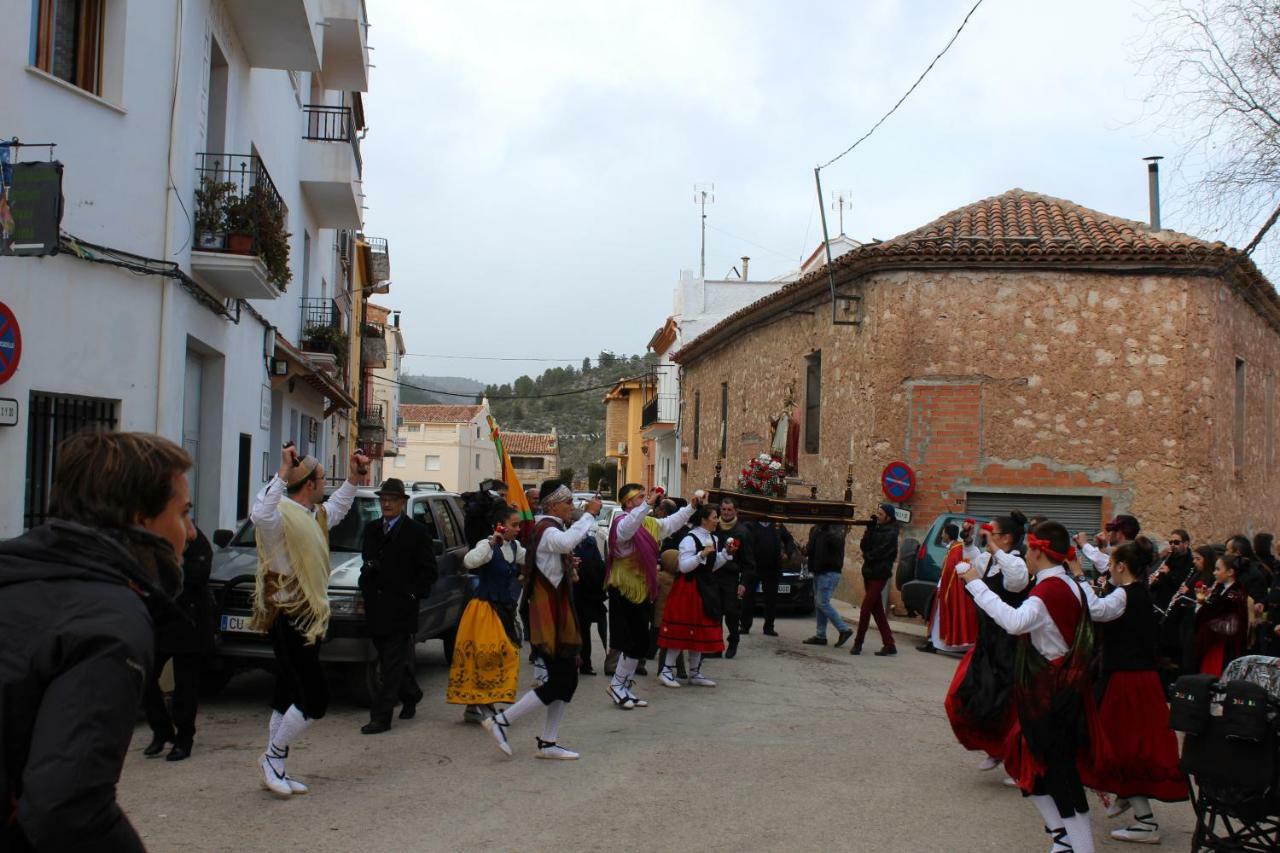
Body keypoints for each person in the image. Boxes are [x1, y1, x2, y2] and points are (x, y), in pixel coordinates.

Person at [1, 431, 194, 851]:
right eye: (183, 513)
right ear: (142, 519)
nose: (191, 533)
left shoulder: (19, 572)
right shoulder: (109, 620)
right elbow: (68, 807)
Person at [958, 520, 1098, 853]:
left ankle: (1080, 846)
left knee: (1059, 772)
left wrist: (976, 585)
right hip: (1059, 690)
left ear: (1037, 550)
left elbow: (1014, 622)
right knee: (1026, 758)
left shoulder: (1047, 591)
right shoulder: (1072, 585)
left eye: (1031, 549)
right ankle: (1062, 837)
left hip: (1050, 695)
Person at [249, 443, 368, 796]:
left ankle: (277, 767)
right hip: (289, 614)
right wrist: (282, 472)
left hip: (308, 615)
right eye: (322, 479)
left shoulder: (311, 515)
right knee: (315, 698)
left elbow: (340, 508)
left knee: (286, 691)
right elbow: (259, 514)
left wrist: (354, 477)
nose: (324, 485)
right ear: (310, 484)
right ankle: (272, 757)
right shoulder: (280, 515)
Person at [1070, 536, 1188, 845]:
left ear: (1122, 566)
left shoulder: (1126, 595)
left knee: (1121, 745)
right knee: (1123, 743)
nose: (1108, 568)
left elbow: (1096, 610)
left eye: (1111, 563)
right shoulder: (1136, 593)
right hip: (1135, 678)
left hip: (1129, 681)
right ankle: (1126, 795)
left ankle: (1145, 821)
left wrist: (1079, 577)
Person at [481, 481, 599, 760]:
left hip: (554, 612)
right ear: (553, 505)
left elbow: (559, 552)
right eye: (568, 502)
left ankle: (548, 741)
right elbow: (567, 542)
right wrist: (590, 515)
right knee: (561, 680)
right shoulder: (547, 529)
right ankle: (501, 721)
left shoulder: (548, 528)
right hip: (550, 616)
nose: (573, 507)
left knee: (566, 679)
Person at [945, 510, 1030, 773]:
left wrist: (993, 546)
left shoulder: (1017, 563)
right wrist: (970, 542)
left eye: (992, 534)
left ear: (1005, 538)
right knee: (965, 697)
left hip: (1009, 644)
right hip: (987, 640)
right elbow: (975, 565)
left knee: (1006, 703)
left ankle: (1012, 756)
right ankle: (995, 748)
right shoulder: (992, 561)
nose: (986, 538)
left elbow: (1016, 582)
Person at [357, 478, 437, 734]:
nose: (387, 503)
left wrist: (414, 594)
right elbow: (367, 559)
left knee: (389, 666)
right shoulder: (371, 529)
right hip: (377, 606)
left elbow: (429, 570)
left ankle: (381, 717)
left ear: (402, 502)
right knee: (391, 659)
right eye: (383, 499)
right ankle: (411, 693)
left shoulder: (416, 531)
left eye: (392, 499)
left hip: (401, 607)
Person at [605, 484, 696, 710]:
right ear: (627, 502)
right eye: (641, 497)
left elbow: (671, 524)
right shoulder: (621, 523)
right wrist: (647, 505)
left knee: (641, 641)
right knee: (629, 640)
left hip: (642, 588)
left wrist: (692, 507)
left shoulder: (648, 523)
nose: (646, 499)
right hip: (624, 588)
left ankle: (622, 685)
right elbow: (627, 529)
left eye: (646, 496)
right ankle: (617, 684)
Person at [141, 526, 215, 761]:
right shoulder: (149, 536)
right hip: (160, 618)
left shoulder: (192, 535)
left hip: (189, 619)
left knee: (186, 684)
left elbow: (199, 574)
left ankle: (184, 738)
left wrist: (173, 566)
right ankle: (161, 730)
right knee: (144, 675)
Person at [450, 505, 526, 722]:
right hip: (484, 609)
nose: (518, 529)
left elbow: (529, 558)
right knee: (486, 656)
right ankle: (477, 705)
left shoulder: (514, 547)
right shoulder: (487, 545)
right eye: (514, 525)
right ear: (500, 526)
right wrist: (492, 542)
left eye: (518, 525)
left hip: (503, 608)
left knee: (505, 655)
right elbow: (469, 562)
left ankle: (483, 703)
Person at [657, 504, 735, 687]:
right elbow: (683, 567)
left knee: (700, 630)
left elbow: (712, 566)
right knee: (682, 630)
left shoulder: (713, 538)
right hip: (688, 589)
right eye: (715, 516)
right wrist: (700, 555)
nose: (718, 520)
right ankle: (666, 670)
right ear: (704, 519)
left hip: (707, 588)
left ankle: (695, 672)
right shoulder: (689, 539)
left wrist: (725, 554)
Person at [919, 522, 978, 654]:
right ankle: (932, 642)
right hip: (943, 586)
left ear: (947, 534)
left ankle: (936, 643)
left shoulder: (958, 548)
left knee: (941, 617)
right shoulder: (952, 547)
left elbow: (954, 569)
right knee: (936, 616)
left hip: (949, 589)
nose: (942, 535)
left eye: (943, 533)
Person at [852, 503, 900, 656]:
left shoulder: (892, 533)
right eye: (877, 513)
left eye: (880, 514)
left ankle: (858, 643)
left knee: (865, 608)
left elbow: (882, 552)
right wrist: (869, 529)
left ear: (888, 517)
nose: (878, 516)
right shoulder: (876, 529)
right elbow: (864, 546)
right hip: (869, 572)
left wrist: (868, 555)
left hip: (880, 574)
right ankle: (889, 644)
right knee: (877, 610)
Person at [1193, 553, 1249, 677]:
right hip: (1213, 641)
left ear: (1230, 572)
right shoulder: (1221, 589)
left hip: (1223, 645)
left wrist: (1204, 606)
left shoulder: (1234, 594)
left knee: (1216, 674)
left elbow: (1227, 620)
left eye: (1218, 569)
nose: (1214, 572)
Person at [802, 523, 854, 647]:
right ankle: (820, 635)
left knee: (822, 602)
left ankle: (844, 629)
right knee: (819, 604)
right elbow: (810, 550)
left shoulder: (837, 529)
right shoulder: (815, 529)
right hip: (818, 570)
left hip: (830, 571)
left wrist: (827, 529)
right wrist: (803, 549)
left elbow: (837, 543)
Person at [714, 497, 754, 656]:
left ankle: (733, 639)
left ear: (735, 511)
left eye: (729, 510)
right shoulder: (714, 528)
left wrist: (743, 583)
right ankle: (716, 646)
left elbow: (749, 563)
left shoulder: (742, 532)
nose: (726, 513)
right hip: (715, 575)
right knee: (714, 613)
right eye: (723, 509)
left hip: (732, 578)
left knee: (731, 613)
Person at [743, 518, 794, 638]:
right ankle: (745, 625)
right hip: (754, 567)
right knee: (748, 597)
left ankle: (769, 627)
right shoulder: (751, 524)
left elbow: (789, 540)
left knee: (771, 599)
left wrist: (788, 553)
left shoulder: (777, 525)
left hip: (772, 568)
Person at [573, 517, 608, 676]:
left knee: (585, 629)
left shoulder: (590, 542)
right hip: (572, 591)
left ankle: (586, 664)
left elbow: (599, 564)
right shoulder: (566, 541)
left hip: (588, 592)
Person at [1077, 514, 1140, 579]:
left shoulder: (1127, 557)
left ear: (1119, 533)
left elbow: (1104, 563)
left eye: (1111, 530)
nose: (1109, 534)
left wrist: (1083, 544)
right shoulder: (1134, 551)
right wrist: (1104, 547)